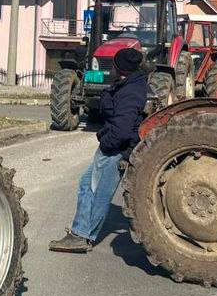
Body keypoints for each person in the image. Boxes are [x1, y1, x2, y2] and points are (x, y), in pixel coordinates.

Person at [50, 47, 149, 254]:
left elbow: (122, 129)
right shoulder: (130, 84)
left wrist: (106, 143)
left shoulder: (130, 91)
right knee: (87, 184)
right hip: (115, 146)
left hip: (115, 148)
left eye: (114, 64)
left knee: (96, 191)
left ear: (119, 68)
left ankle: (82, 236)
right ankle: (81, 232)